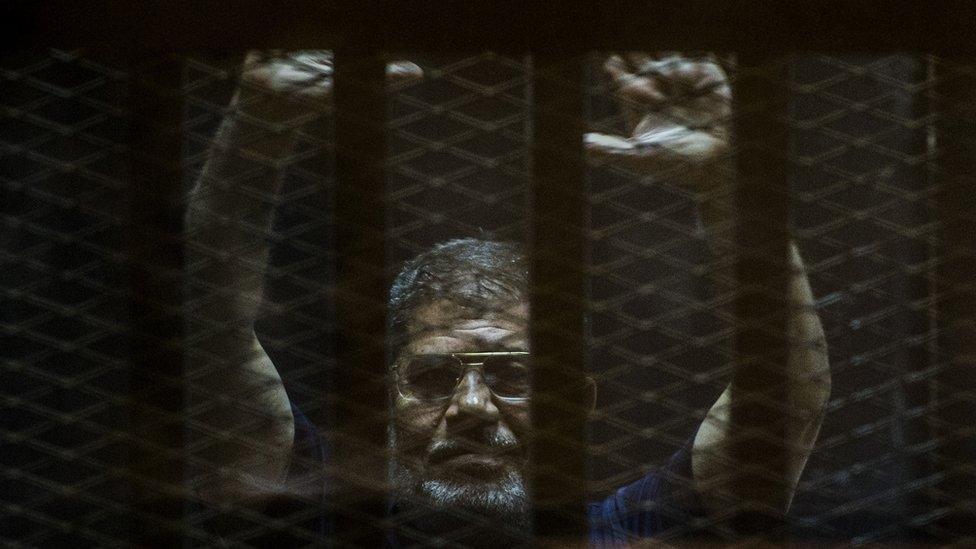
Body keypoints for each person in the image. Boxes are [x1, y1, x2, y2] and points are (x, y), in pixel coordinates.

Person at [185, 51, 831, 546]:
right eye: (434, 376)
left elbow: (785, 398)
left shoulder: (625, 530)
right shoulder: (320, 512)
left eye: (514, 374)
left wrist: (727, 186)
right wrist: (257, 129)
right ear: (382, 396)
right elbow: (208, 333)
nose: (471, 407)